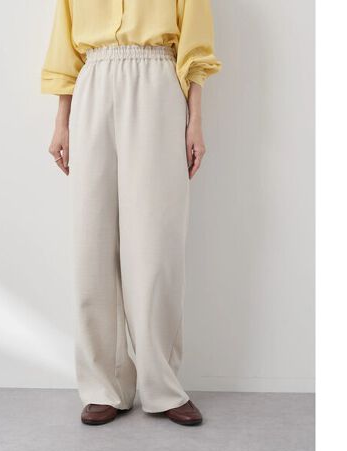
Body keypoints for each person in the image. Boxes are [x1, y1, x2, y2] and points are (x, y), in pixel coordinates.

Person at [41, 0, 221, 426]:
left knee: (156, 245)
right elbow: (65, 51)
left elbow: (195, 48)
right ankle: (104, 386)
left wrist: (195, 121)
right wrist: (62, 122)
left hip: (158, 81)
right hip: (94, 83)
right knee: (92, 241)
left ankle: (163, 386)